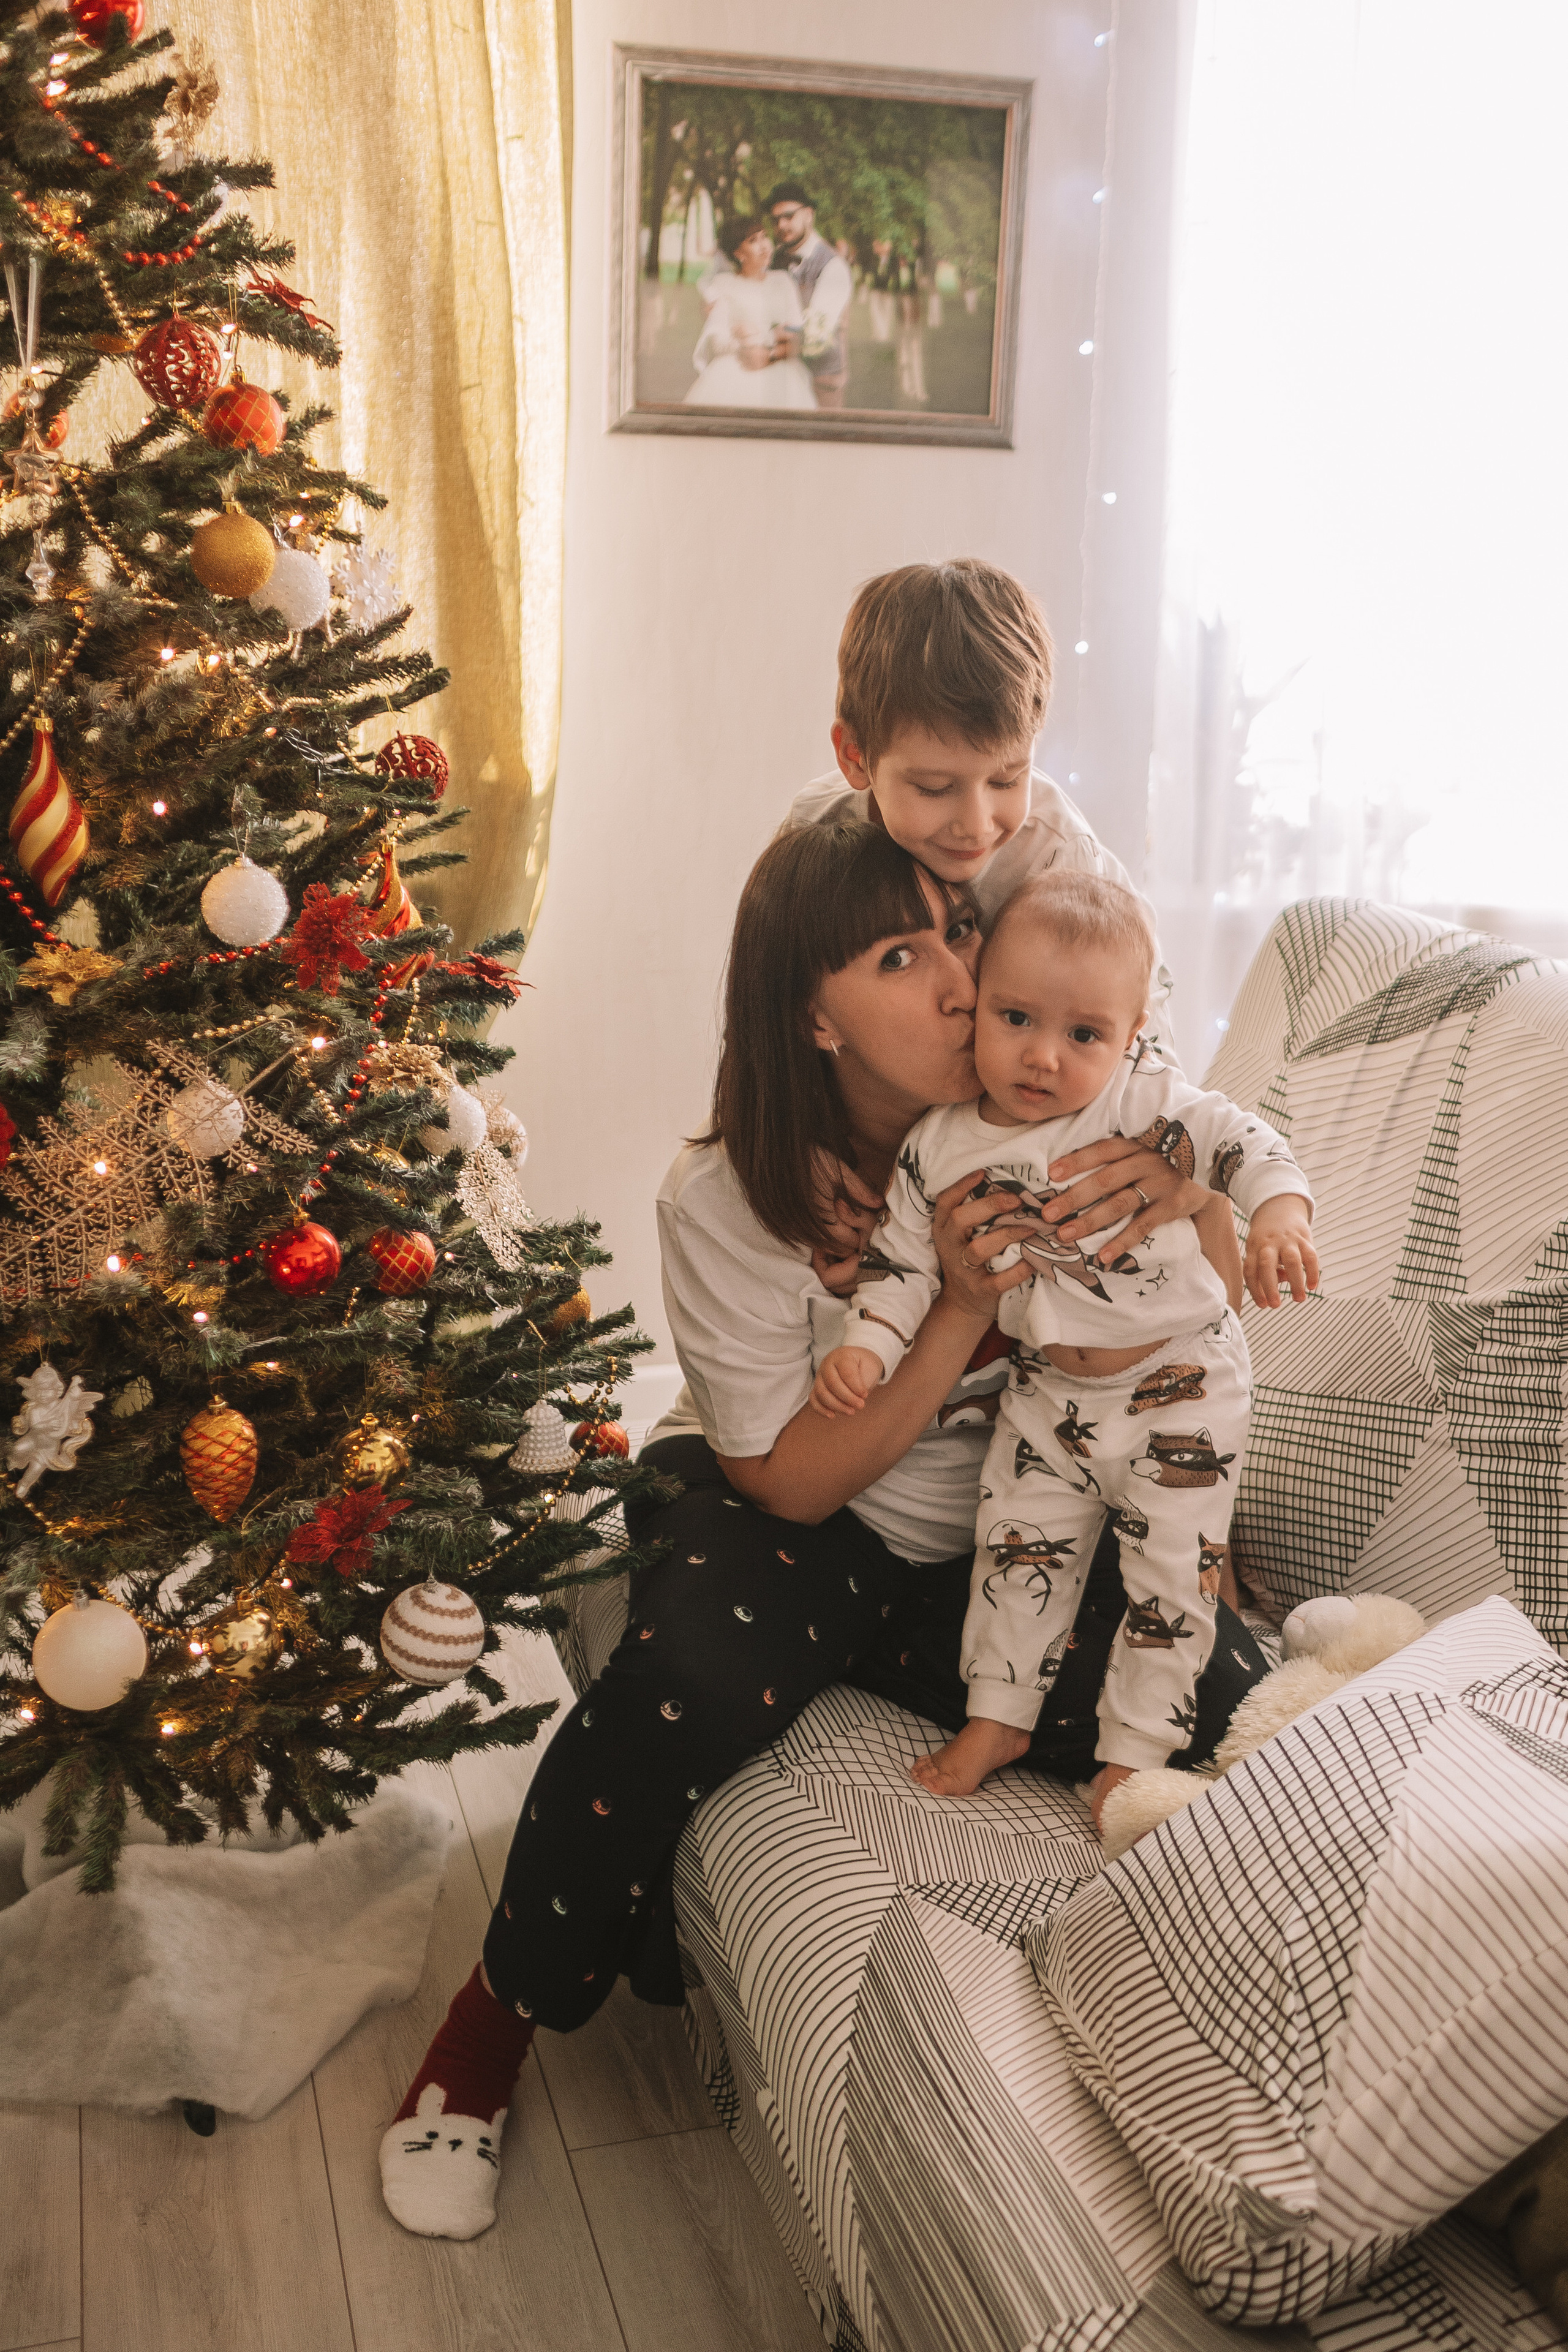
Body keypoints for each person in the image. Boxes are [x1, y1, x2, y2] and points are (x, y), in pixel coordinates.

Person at [378, 824, 1272, 2242]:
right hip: (794, 1511)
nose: (961, 985)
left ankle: (846, 1670)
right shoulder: (723, 1196)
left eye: (955, 936)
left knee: (1223, 1692)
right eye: (900, 959)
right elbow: (787, 1485)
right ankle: (493, 2017)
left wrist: (1193, 1197)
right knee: (689, 1678)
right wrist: (959, 1309)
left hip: (996, 1532)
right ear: (813, 1013)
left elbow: (1211, 1275)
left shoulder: (1080, 1098)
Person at [811, 870, 1317, 1812]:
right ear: (980, 1005)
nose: (1043, 1056)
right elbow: (900, 1264)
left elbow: (1245, 1142)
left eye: (1084, 1035)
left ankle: (1136, 1748)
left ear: (1130, 1035)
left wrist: (1279, 1217)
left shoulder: (1144, 1102)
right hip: (1048, 1394)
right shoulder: (940, 1143)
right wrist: (867, 1349)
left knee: (1173, 1579)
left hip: (1180, 1382)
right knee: (1015, 1552)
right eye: (1016, 1018)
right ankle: (999, 1715)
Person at [784, 554, 1219, 1295]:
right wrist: (801, 1143)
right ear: (856, 757)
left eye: (1007, 779)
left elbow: (1144, 1040)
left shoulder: (1065, 862)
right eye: (933, 787)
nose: (976, 823)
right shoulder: (815, 838)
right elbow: (773, 1004)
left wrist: (1173, 1162)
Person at [685, 216, 815, 410]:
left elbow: (796, 334)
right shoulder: (723, 285)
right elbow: (718, 342)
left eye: (765, 237)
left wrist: (768, 350)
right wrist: (754, 343)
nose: (764, 246)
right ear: (739, 253)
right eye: (753, 241)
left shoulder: (783, 281)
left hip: (782, 371)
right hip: (735, 369)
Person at [764, 180, 854, 409]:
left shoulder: (833, 266)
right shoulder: (772, 260)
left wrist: (766, 341)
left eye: (789, 216)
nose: (782, 225)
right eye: (776, 220)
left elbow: (817, 334)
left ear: (809, 215)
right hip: (778, 377)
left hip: (820, 380)